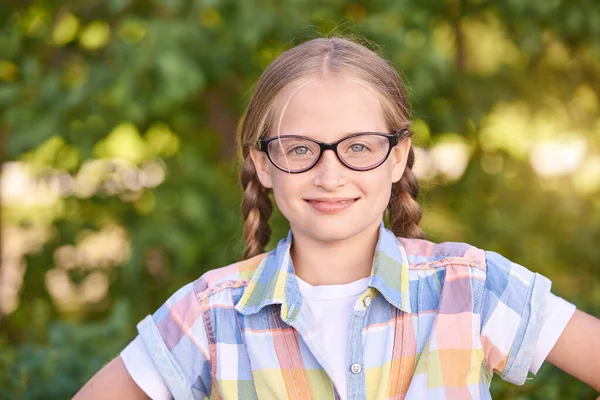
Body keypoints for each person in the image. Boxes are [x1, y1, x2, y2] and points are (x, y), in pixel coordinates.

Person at [75, 37, 600, 400]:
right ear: (262, 162)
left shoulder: (471, 287)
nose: (330, 175)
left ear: (397, 157)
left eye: (359, 146)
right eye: (300, 149)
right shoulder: (211, 314)